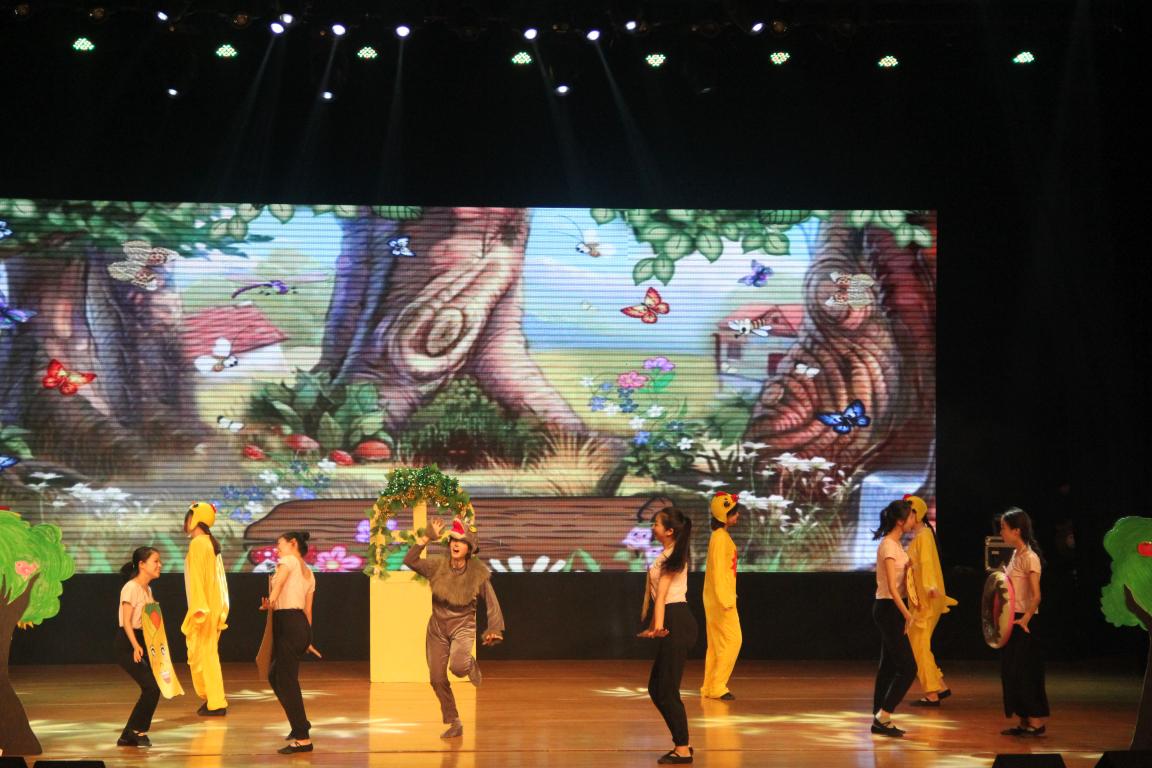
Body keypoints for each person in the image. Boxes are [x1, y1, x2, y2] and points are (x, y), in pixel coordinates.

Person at [404, 514, 504, 739]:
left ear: (470, 548)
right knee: (437, 678)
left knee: (458, 668)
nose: (456, 544)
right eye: (453, 540)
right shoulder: (437, 566)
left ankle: (468, 663)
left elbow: (492, 602)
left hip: (463, 625)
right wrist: (426, 538)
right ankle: (454, 721)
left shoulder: (477, 573)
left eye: (461, 541)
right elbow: (410, 561)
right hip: (437, 628)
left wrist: (494, 629)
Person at [639, 507, 698, 764]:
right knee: (656, 688)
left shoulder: (672, 556)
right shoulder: (667, 555)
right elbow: (657, 598)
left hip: (677, 621)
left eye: (657, 524)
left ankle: (682, 748)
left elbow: (662, 597)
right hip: (673, 621)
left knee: (666, 690)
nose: (653, 527)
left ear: (670, 531)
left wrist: (660, 627)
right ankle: (682, 742)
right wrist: (654, 626)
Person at [261, 532, 317, 755]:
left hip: (289, 623)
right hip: (299, 625)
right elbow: (308, 610)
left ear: (293, 544)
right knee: (275, 675)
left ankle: (303, 738)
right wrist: (307, 638)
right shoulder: (309, 572)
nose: (277, 548)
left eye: (280, 544)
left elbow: (280, 582)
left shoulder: (289, 560)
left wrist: (271, 601)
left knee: (287, 681)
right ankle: (299, 724)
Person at [998, 507, 1049, 737]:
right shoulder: (1016, 555)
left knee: (1024, 672)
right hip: (1012, 619)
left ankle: (1036, 722)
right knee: (1010, 671)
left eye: (1003, 528)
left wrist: (1025, 619)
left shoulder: (1030, 557)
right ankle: (1023, 720)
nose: (1001, 532)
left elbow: (1036, 596)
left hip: (1024, 621)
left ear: (1016, 531)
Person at [871, 499, 918, 737]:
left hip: (893, 607)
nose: (914, 521)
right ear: (900, 521)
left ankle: (879, 716)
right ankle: (884, 715)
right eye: (911, 517)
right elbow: (891, 587)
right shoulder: (889, 546)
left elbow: (902, 581)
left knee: (889, 665)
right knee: (908, 667)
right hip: (889, 608)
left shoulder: (897, 545)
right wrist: (907, 614)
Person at [905, 495, 957, 706]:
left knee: (918, 644)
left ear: (916, 514)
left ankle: (932, 692)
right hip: (922, 598)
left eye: (908, 513)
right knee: (920, 644)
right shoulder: (921, 535)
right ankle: (939, 686)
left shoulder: (924, 535)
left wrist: (929, 586)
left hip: (927, 599)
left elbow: (927, 563)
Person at [181, 501, 230, 716]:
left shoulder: (199, 544)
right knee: (206, 655)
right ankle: (213, 698)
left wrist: (199, 610)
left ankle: (216, 702)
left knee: (204, 656)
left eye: (189, 517)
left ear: (196, 519)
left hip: (204, 610)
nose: (186, 522)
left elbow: (198, 580)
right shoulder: (208, 543)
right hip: (211, 608)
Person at [115, 547, 162, 748]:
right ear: (142, 564)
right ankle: (134, 731)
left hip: (143, 641)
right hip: (128, 643)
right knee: (151, 687)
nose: (160, 565)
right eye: (155, 561)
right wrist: (135, 646)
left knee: (153, 688)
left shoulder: (147, 590)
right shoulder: (131, 587)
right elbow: (126, 621)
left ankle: (130, 733)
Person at [701, 491, 743, 701]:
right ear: (724, 515)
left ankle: (710, 686)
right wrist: (725, 599)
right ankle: (717, 684)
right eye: (733, 512)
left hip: (718, 597)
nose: (737, 515)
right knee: (733, 640)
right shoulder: (719, 538)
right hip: (721, 599)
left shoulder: (720, 537)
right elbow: (718, 572)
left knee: (717, 644)